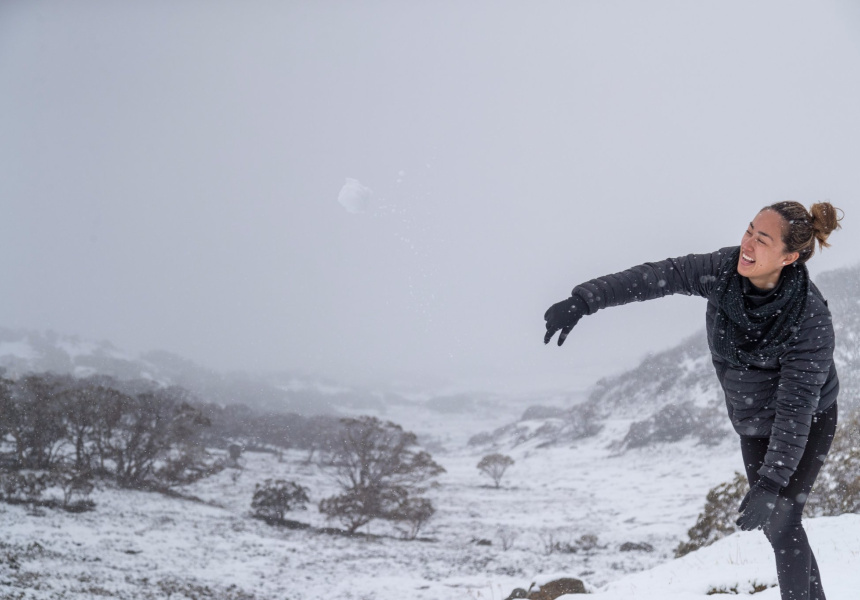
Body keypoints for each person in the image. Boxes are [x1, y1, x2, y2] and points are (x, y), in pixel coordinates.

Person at [543, 201, 842, 600]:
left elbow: (795, 409)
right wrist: (585, 301)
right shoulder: (722, 271)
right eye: (749, 230)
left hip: (807, 421)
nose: (747, 244)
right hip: (753, 419)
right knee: (780, 526)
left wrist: (771, 482)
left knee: (783, 517)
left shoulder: (809, 320)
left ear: (789, 257)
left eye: (762, 239)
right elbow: (654, 277)